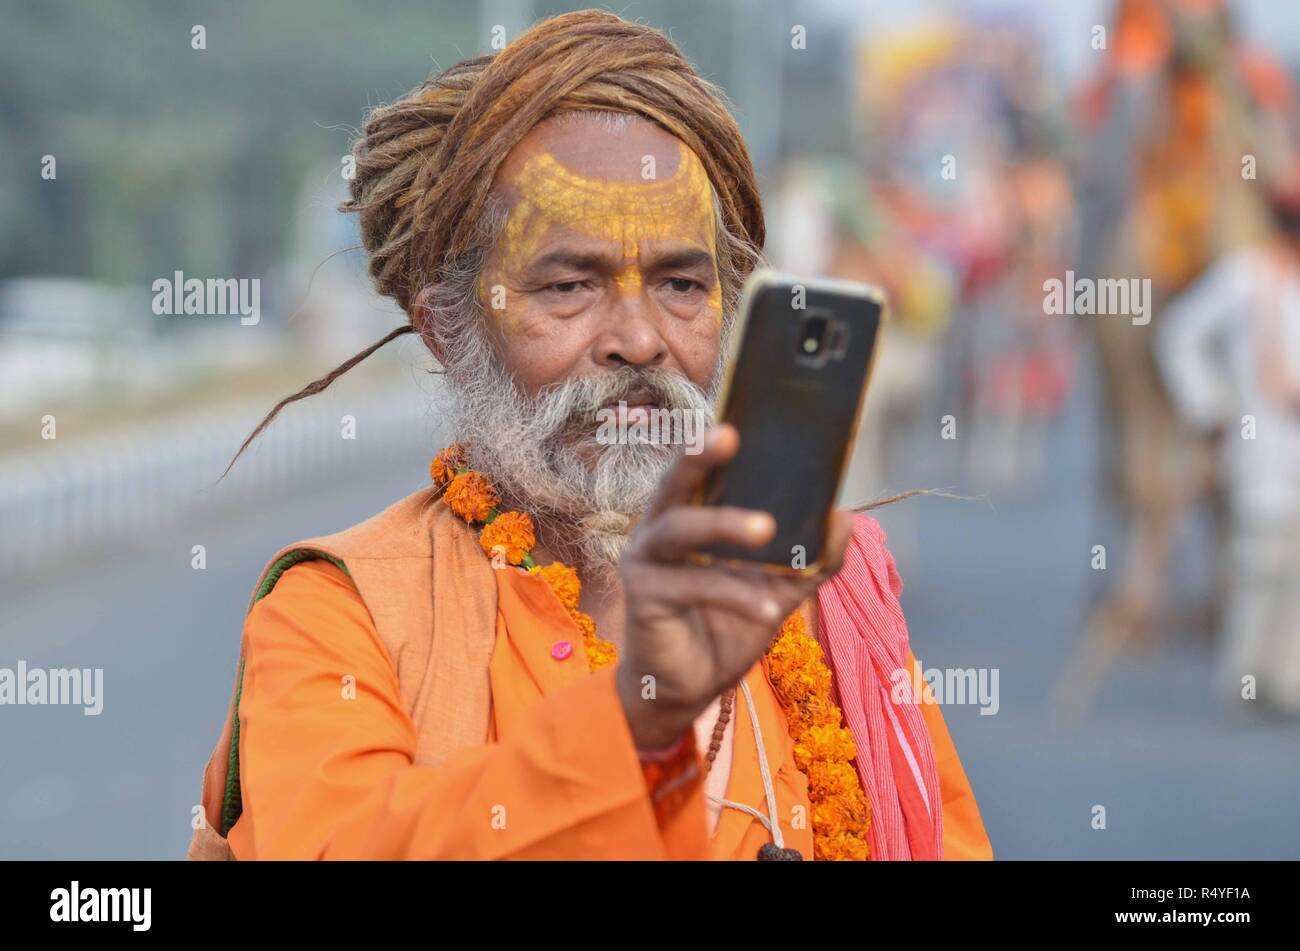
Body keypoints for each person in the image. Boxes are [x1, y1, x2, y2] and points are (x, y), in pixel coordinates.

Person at [188, 10, 991, 861]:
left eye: (684, 283)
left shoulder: (821, 595)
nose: (640, 339)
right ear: (449, 330)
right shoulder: (340, 613)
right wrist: (636, 718)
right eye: (571, 286)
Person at [1157, 177, 1300, 717]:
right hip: (1262, 443)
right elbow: (1180, 332)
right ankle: (1243, 675)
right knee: (1260, 558)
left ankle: (1287, 678)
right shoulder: (1246, 277)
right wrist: (1209, 407)